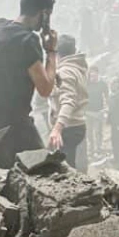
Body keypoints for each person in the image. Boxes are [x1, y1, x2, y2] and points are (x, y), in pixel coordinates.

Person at [0, 0, 58, 169]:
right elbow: (45, 88)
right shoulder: (27, 41)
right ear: (43, 14)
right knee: (44, 171)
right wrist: (51, 51)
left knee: (1, 174)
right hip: (15, 128)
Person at [49, 34, 88, 169]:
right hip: (77, 124)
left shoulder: (64, 72)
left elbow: (68, 101)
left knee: (65, 168)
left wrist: (57, 129)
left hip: (68, 128)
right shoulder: (76, 68)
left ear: (57, 53)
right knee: (70, 163)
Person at [86, 68, 108, 162]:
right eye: (91, 76)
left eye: (95, 76)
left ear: (98, 75)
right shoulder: (86, 84)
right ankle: (91, 149)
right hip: (87, 112)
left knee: (98, 132)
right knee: (89, 132)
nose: (93, 78)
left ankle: (98, 149)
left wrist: (106, 110)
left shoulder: (102, 84)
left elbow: (107, 97)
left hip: (99, 112)